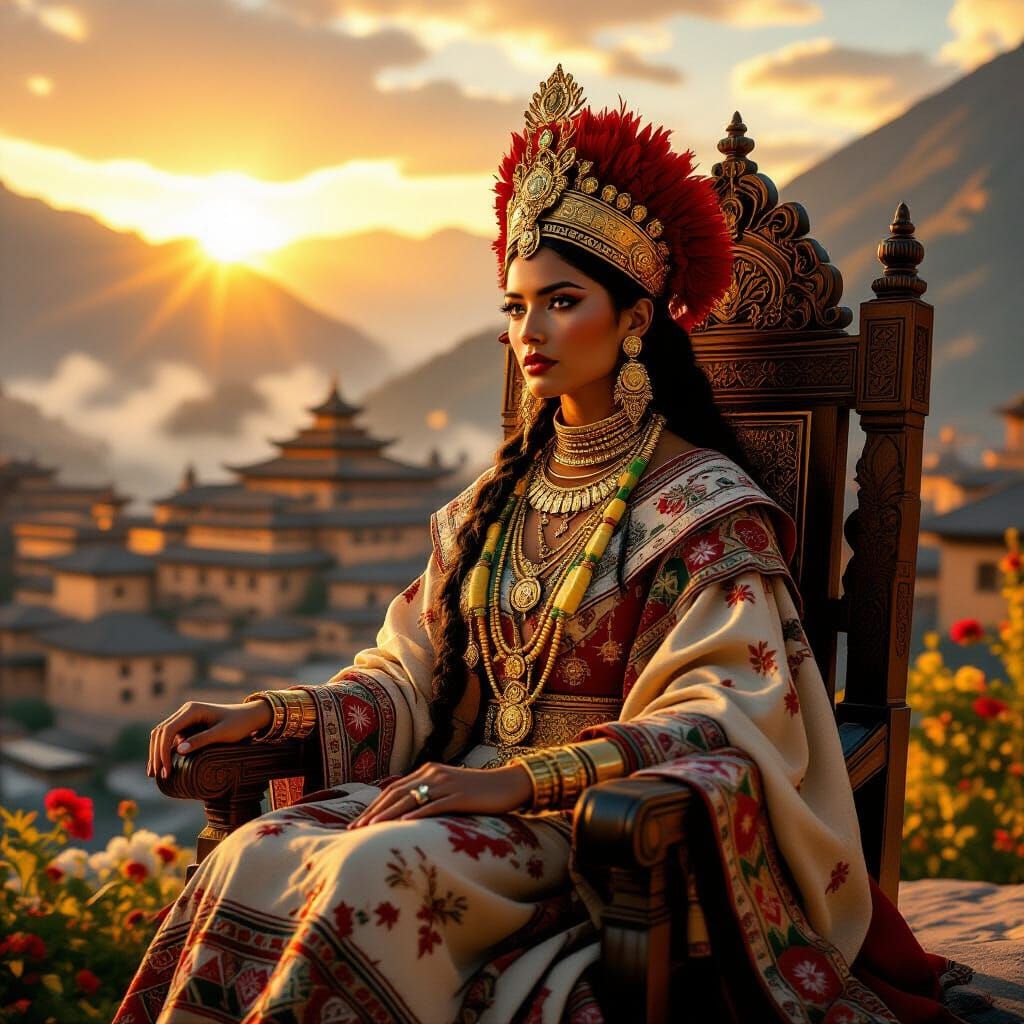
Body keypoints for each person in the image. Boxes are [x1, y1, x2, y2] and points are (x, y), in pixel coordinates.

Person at [116, 66, 980, 1024]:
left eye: (561, 301)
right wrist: (270, 716)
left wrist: (513, 781)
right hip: (459, 796)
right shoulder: (493, 504)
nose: (530, 331)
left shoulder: (704, 510)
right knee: (256, 852)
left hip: (598, 827)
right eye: (515, 307)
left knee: (371, 871)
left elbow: (728, 723)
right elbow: (411, 682)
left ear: (637, 320)